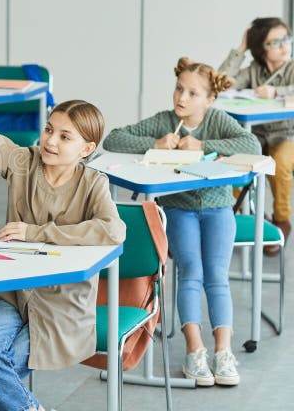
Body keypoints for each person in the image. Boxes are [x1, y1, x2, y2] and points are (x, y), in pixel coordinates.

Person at [0, 40, 126, 411]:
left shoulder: (93, 183)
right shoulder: (24, 163)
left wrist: (36, 232)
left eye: (65, 137)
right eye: (50, 129)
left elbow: (113, 230)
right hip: (17, 291)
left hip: (63, 301)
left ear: (87, 148)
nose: (50, 140)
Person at [104, 57, 260, 387]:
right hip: (179, 210)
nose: (182, 98)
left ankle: (223, 350)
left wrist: (204, 145)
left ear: (210, 99)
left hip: (219, 209)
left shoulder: (218, 120)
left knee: (217, 275)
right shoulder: (164, 121)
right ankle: (195, 349)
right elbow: (114, 139)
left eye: (192, 93)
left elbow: (251, 144)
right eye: (179, 89)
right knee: (191, 271)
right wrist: (154, 143)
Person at [219, 17, 294, 254]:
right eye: (275, 42)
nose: (284, 46)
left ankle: (282, 219)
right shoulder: (253, 71)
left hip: (287, 135)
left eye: (286, 39)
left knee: (280, 163)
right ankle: (246, 213)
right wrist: (241, 49)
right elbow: (220, 83)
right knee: (232, 161)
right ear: (261, 49)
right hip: (255, 136)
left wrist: (276, 91)